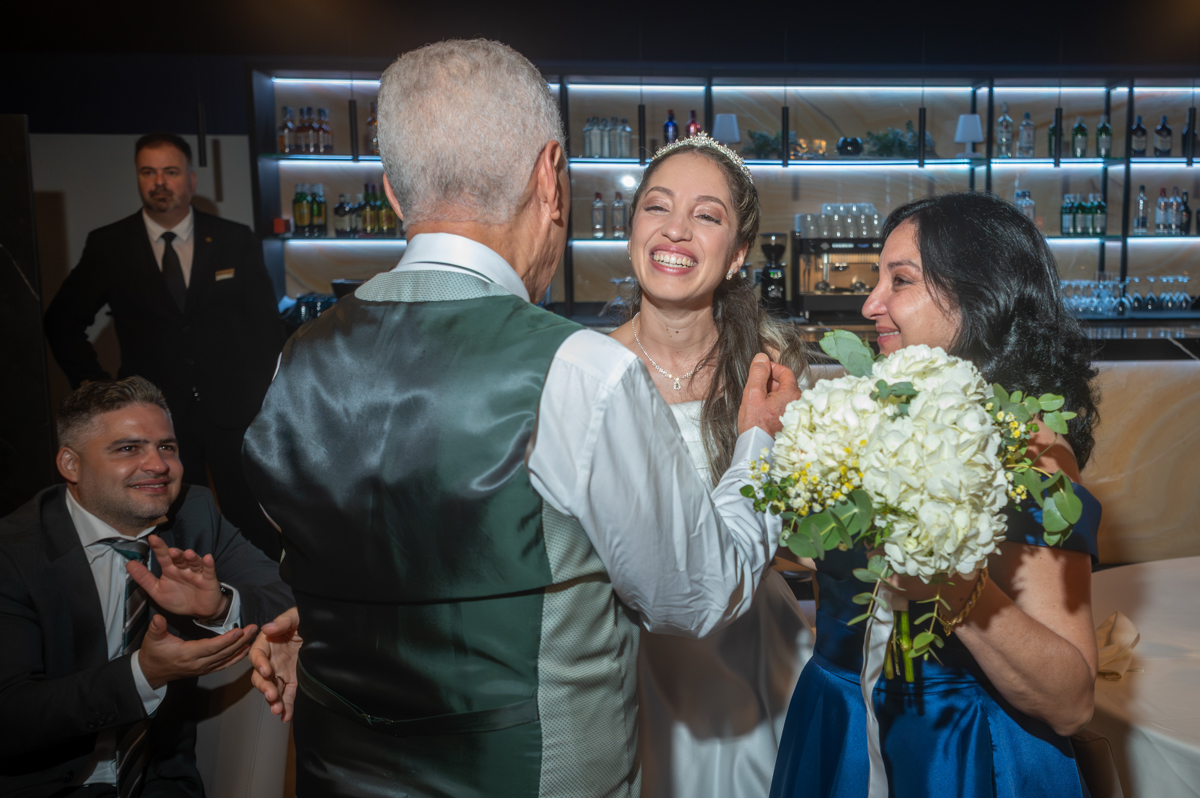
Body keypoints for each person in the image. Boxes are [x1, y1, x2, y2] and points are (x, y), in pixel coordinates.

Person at [241, 39, 800, 797]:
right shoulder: (577, 370)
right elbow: (695, 595)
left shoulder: (296, 361)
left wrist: (318, 624)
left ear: (394, 193)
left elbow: (382, 550)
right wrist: (760, 441)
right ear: (550, 177)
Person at [770, 191, 1103, 798]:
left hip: (955, 753)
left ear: (980, 296)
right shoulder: (872, 415)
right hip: (839, 724)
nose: (871, 304)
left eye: (900, 280)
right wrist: (775, 464)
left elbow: (1072, 701)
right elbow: (833, 564)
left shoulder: (1031, 452)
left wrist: (951, 589)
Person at [606, 132, 813, 798]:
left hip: (756, 661)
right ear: (632, 231)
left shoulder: (771, 369)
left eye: (706, 215)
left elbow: (810, 544)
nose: (676, 229)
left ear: (738, 254)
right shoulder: (584, 372)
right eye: (657, 206)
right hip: (630, 670)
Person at [0, 377, 294, 797]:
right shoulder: (14, 553)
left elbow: (286, 596)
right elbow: (10, 715)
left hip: (161, 782)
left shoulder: (193, 513)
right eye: (128, 448)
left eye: (167, 447)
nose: (158, 465)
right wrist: (142, 675)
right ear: (70, 464)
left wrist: (218, 606)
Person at [44, 133, 287, 560]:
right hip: (155, 418)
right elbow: (61, 320)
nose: (159, 182)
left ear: (191, 180)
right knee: (170, 521)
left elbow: (265, 327)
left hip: (235, 412)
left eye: (170, 172)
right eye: (148, 172)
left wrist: (267, 396)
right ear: (138, 178)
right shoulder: (110, 244)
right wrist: (94, 386)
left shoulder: (233, 239)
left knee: (252, 518)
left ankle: (263, 592)